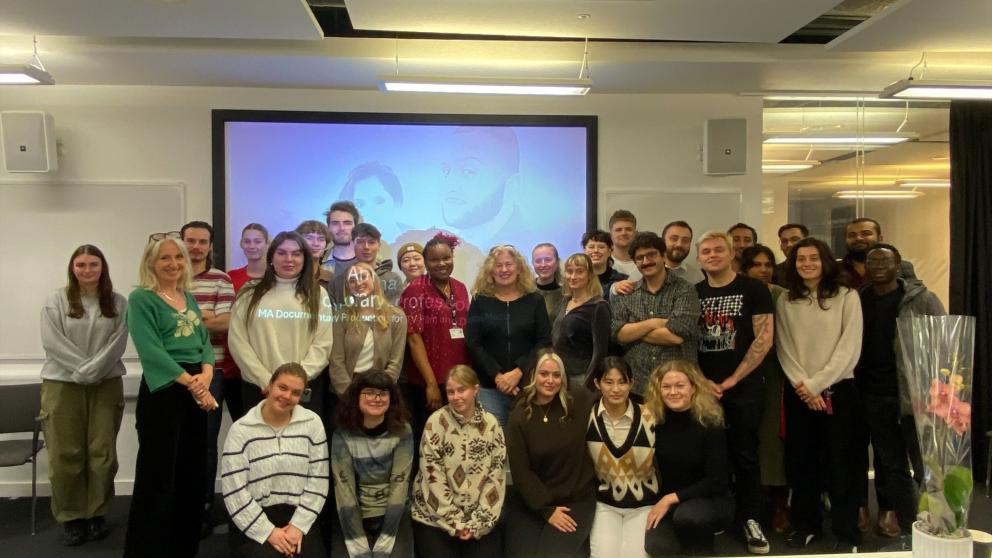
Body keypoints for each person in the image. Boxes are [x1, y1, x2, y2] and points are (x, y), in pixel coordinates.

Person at [123, 233, 218, 558]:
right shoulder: (141, 299)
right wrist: (193, 383)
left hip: (194, 387)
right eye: (165, 257)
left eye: (178, 257)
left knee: (191, 472)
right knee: (158, 475)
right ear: (150, 262)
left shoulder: (186, 296)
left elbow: (204, 342)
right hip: (164, 391)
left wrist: (206, 375)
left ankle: (182, 548)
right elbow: (151, 351)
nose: (173, 264)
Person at [776, 237, 863, 551]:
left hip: (839, 391)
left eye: (813, 258)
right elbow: (784, 347)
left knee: (841, 464)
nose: (807, 264)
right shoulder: (785, 300)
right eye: (801, 259)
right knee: (801, 463)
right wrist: (805, 386)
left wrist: (818, 384)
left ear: (825, 261)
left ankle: (846, 532)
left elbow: (849, 348)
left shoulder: (847, 296)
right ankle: (806, 525)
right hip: (800, 394)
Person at [855, 243, 944, 543]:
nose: (879, 266)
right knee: (892, 467)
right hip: (874, 395)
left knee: (926, 467)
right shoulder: (858, 300)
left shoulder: (922, 300)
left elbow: (943, 345)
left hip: (916, 397)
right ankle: (910, 529)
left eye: (885, 261)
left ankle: (938, 527)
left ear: (898, 265)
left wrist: (938, 391)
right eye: (873, 261)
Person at [40, 245, 128, 546]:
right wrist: (84, 370)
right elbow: (52, 341)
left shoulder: (118, 302)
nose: (87, 270)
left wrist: (93, 371)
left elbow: (118, 342)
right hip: (62, 384)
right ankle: (72, 517)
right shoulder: (56, 300)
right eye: (81, 265)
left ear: (102, 267)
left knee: (102, 454)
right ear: (72, 268)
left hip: (106, 384)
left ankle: (96, 514)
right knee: (65, 454)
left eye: (93, 264)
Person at [694, 231, 774, 554]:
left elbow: (764, 339)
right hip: (702, 389)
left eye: (718, 250)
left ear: (731, 255)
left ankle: (750, 518)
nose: (712, 255)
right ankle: (718, 517)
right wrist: (702, 381)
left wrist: (732, 380)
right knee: (711, 457)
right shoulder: (694, 292)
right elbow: (687, 341)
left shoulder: (753, 289)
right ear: (699, 259)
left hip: (744, 388)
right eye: (706, 251)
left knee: (745, 455)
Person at [221, 363, 329, 558]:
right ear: (269, 386)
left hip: (298, 514)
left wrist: (298, 526)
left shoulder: (313, 424)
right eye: (282, 387)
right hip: (253, 516)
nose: (287, 396)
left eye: (295, 393)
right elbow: (233, 490)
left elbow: (319, 480)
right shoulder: (240, 430)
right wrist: (268, 532)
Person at [228, 231, 334, 415]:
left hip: (302, 388)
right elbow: (238, 341)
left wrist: (293, 383)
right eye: (282, 253)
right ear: (271, 257)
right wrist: (266, 380)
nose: (289, 259)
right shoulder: (249, 292)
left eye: (296, 254)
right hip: (259, 388)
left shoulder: (318, 294)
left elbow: (323, 344)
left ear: (305, 259)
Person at [504, 350, 597, 558]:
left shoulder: (578, 401)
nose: (550, 380)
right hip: (534, 500)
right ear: (533, 376)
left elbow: (610, 402)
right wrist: (547, 509)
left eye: (556, 375)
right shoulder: (520, 416)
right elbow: (521, 472)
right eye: (544, 374)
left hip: (576, 499)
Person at [181, 220, 240, 538]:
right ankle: (180, 505)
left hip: (211, 370)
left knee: (205, 442)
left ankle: (203, 506)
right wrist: (205, 318)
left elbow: (226, 324)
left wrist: (183, 322)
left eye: (202, 242)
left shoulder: (221, 280)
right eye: (190, 241)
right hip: (171, 370)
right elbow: (159, 324)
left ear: (210, 246)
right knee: (176, 440)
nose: (196, 247)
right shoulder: (168, 277)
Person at [411, 365, 507, 558]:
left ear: (476, 390)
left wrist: (477, 523)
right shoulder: (435, 422)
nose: (456, 397)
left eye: (462, 390)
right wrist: (455, 522)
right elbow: (432, 477)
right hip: (435, 518)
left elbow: (496, 476)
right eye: (451, 392)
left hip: (478, 518)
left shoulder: (491, 425)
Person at [642, 360, 733, 556]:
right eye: (666, 387)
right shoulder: (655, 420)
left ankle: (703, 548)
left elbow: (717, 481)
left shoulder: (710, 422)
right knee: (656, 546)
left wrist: (671, 498)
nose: (673, 392)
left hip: (707, 498)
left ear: (693, 388)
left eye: (680, 386)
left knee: (688, 517)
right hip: (670, 501)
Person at [331, 371, 415, 558]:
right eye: (369, 392)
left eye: (383, 393)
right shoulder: (342, 434)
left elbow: (400, 485)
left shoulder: (402, 431)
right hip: (352, 514)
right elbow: (345, 490)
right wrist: (359, 546)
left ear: (391, 399)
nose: (377, 398)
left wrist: (385, 541)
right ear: (356, 396)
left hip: (394, 514)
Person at [466, 244, 552, 426]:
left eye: (509, 264)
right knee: (494, 439)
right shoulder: (480, 300)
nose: (504, 270)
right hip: (490, 387)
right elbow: (473, 342)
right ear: (491, 271)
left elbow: (544, 341)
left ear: (519, 269)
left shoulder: (535, 300)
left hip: (528, 385)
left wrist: (519, 372)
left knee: (527, 437)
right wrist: (497, 376)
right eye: (498, 265)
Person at [398, 233, 471, 439]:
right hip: (429, 381)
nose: (441, 264)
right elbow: (414, 339)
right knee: (433, 438)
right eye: (434, 259)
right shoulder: (415, 290)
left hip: (459, 376)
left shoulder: (460, 287)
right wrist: (431, 383)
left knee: (460, 437)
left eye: (446, 258)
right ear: (426, 262)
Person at [585, 357, 659, 558]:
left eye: (622, 382)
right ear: (597, 383)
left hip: (643, 505)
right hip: (605, 505)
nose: (615, 389)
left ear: (631, 383)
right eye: (608, 382)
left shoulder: (650, 417)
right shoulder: (587, 418)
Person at [611, 232, 700, 396]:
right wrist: (655, 323)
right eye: (640, 258)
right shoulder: (628, 293)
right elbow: (619, 335)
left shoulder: (685, 290)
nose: (646, 261)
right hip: (637, 386)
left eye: (651, 255)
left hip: (677, 387)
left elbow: (678, 335)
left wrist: (634, 331)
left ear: (663, 256)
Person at [740, 245, 790, 533]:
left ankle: (779, 505)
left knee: (773, 440)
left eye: (767, 264)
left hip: (774, 372)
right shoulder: (738, 292)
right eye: (756, 265)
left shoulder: (781, 296)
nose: (763, 270)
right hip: (740, 373)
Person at [329, 262, 407, 396]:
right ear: (348, 287)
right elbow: (336, 362)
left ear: (374, 279)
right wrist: (350, 395)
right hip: (346, 391)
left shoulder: (397, 316)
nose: (358, 283)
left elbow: (395, 363)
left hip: (381, 389)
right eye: (352, 280)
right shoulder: (341, 316)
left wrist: (379, 392)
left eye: (363, 277)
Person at [552, 253, 610, 387]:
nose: (573, 277)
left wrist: (587, 383)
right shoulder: (564, 301)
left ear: (589, 275)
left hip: (580, 377)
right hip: (558, 373)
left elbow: (600, 352)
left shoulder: (598, 306)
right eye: (569, 271)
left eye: (579, 272)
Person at [330, 223, 404, 304]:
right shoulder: (339, 282)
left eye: (371, 242)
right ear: (352, 245)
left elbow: (393, 310)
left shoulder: (392, 279)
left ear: (379, 246)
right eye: (360, 242)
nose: (366, 247)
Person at [838, 218, 917, 290]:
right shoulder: (835, 269)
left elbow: (915, 295)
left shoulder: (901, 267)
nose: (858, 238)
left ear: (880, 238)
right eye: (852, 235)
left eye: (866, 233)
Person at [339, 161, 406, 243]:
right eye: (359, 204)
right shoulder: (343, 247)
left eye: (379, 201)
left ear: (397, 202)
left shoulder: (417, 238)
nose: (370, 211)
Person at [582, 229, 632, 299]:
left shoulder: (621, 279)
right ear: (584, 251)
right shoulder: (577, 278)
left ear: (609, 251)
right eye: (591, 247)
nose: (596, 250)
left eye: (601, 247)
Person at [228, 223, 270, 292]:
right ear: (241, 244)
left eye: (257, 242)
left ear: (267, 244)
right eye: (247, 241)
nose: (252, 246)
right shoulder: (231, 277)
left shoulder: (279, 277)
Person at [322, 200, 361, 276]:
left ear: (356, 227)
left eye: (347, 223)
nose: (342, 228)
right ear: (328, 228)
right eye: (335, 223)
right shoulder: (318, 262)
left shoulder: (371, 260)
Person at [661, 220, 704, 285]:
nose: (679, 244)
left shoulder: (697, 276)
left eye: (685, 240)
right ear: (663, 241)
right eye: (674, 239)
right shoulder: (647, 272)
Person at [296, 220, 335, 286]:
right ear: (298, 242)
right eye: (309, 238)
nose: (315, 243)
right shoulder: (289, 275)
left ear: (326, 245)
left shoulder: (331, 278)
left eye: (321, 239)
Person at [532, 242, 563, 320]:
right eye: (538, 260)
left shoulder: (566, 295)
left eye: (548, 259)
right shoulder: (525, 291)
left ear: (557, 262)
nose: (543, 265)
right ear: (533, 263)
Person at [609, 209, 641, 280]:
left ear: (635, 233)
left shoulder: (644, 262)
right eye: (618, 230)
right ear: (610, 234)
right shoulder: (604, 263)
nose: (623, 233)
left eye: (629, 229)